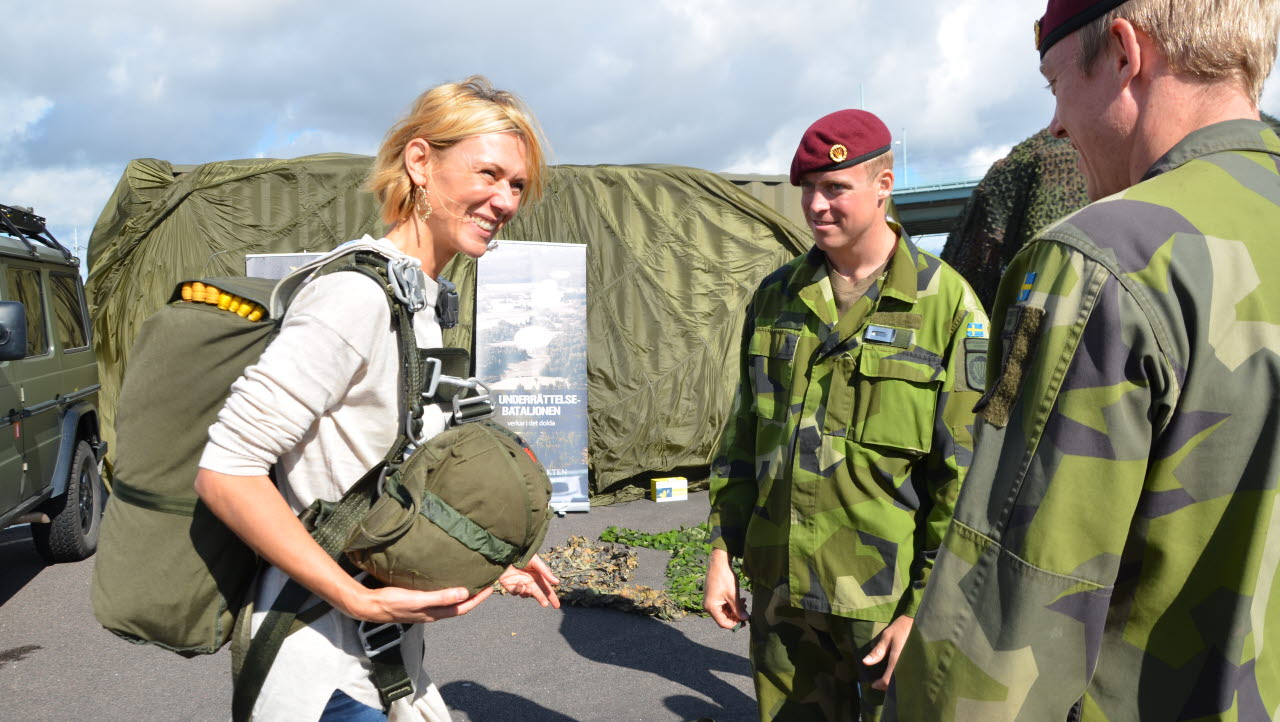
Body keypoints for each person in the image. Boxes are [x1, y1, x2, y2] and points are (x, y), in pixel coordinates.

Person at [887, 1, 1280, 719]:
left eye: (1055, 83)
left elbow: (1007, 617)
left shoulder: (1104, 261)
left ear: (1126, 53)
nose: (1057, 125)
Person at [194, 76, 561, 721]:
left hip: (382, 663)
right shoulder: (355, 298)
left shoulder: (414, 300)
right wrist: (356, 598)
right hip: (320, 669)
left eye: (517, 185)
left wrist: (485, 559)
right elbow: (226, 471)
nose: (505, 200)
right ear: (420, 161)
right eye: (489, 174)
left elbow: (389, 472)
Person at [704, 109, 990, 721]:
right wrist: (722, 551)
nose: (816, 205)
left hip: (884, 603)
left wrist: (924, 609)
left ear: (884, 186)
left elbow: (966, 479)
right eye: (808, 189)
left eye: (836, 188)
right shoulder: (778, 297)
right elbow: (744, 435)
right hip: (783, 594)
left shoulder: (948, 306)